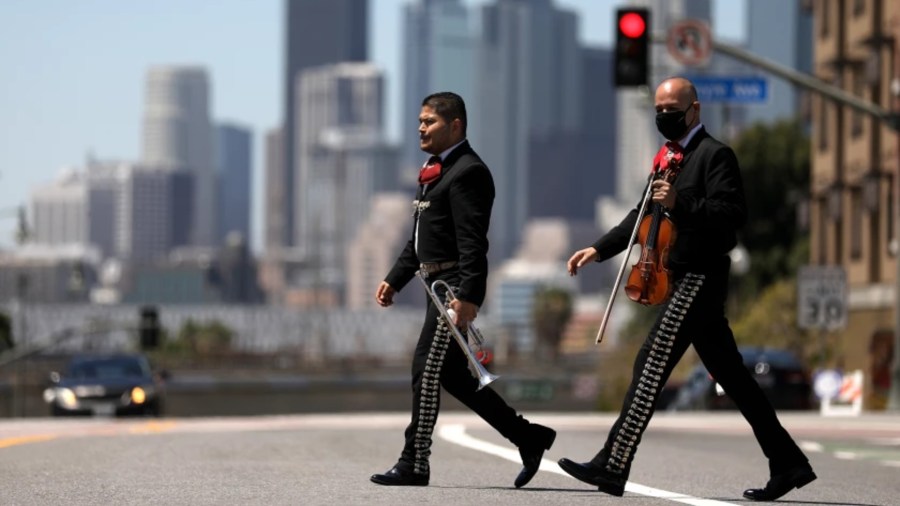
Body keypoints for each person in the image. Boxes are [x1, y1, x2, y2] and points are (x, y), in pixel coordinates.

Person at [558, 77, 816, 501]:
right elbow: (638, 218)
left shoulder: (716, 156)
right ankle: (789, 463)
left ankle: (613, 463)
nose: (663, 116)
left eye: (671, 108)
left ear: (694, 109)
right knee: (735, 378)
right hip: (677, 278)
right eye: (658, 109)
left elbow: (731, 215)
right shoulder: (666, 159)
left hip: (701, 277)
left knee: (650, 361)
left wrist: (682, 203)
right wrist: (598, 249)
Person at [370, 92, 556, 488]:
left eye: (430, 122)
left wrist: (468, 296)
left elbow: (473, 243)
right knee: (453, 376)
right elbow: (419, 240)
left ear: (455, 125)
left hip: (452, 290)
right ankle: (528, 437)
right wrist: (394, 278)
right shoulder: (434, 170)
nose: (420, 127)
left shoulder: (468, 171)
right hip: (431, 286)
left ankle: (414, 462)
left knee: (425, 366)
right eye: (419, 121)